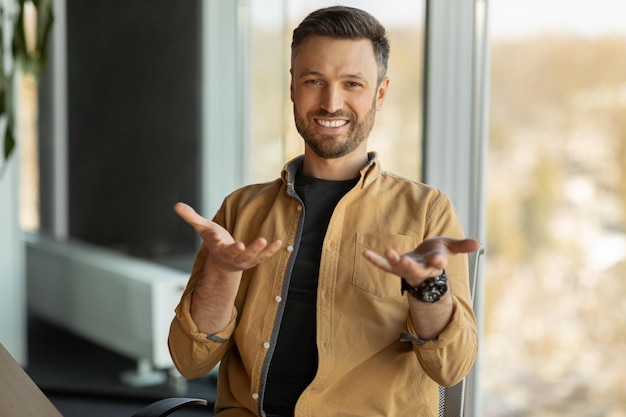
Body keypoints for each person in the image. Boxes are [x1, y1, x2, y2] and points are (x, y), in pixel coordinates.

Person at [168, 5, 480, 417]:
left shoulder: (426, 211)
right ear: (293, 88)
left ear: (380, 94)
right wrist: (223, 273)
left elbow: (452, 367)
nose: (331, 102)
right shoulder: (241, 208)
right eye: (314, 81)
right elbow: (190, 361)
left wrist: (428, 289)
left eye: (352, 83)